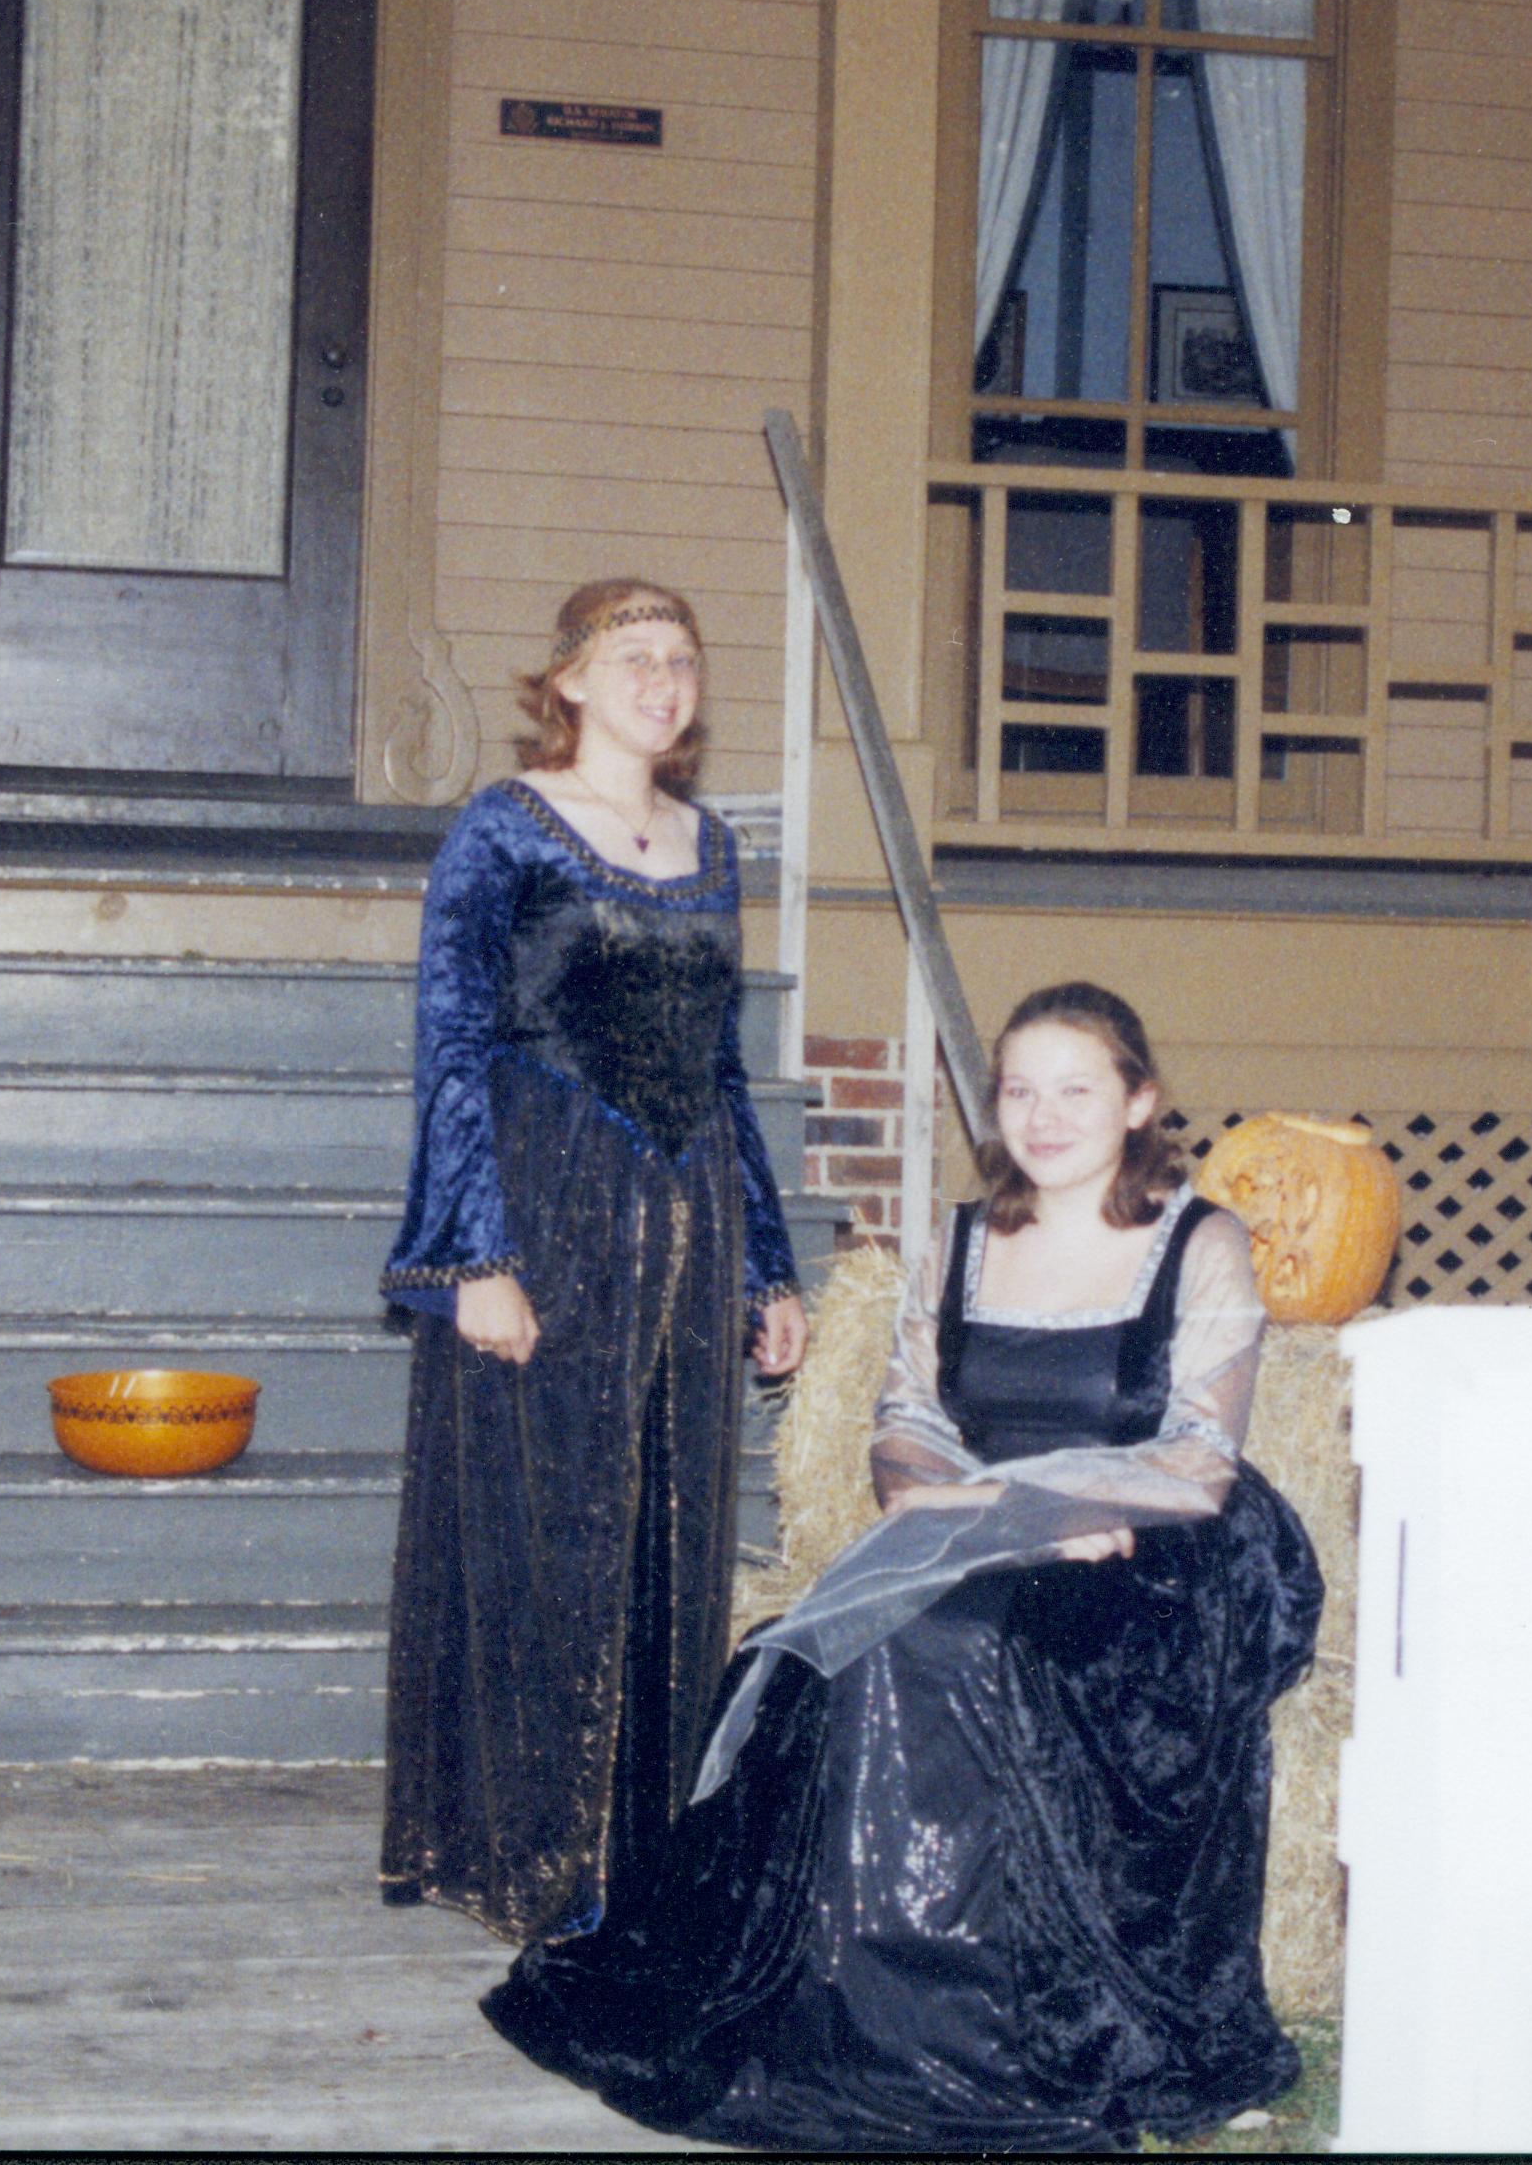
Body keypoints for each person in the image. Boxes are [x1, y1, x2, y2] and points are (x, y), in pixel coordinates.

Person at [481, 982, 1324, 2152]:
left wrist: (1040, 1508)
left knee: (969, 1641)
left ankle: (996, 2031)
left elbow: (1196, 1457)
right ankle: (864, 2017)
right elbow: (909, 1420)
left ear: (1139, 1101)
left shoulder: (1200, 1241)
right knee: (842, 1645)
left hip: (1153, 1543)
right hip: (983, 1521)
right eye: (1018, 1088)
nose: (1041, 1114)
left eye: (1075, 1088)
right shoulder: (964, 1237)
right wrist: (950, 1504)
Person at [376, 577, 809, 1945]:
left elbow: (726, 1067)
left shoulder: (712, 842)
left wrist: (768, 1271)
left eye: (679, 658)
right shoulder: (501, 831)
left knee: (669, 1535)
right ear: (564, 681)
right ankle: (528, 1852)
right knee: (541, 1527)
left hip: (688, 1226)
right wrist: (472, 1257)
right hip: (545, 1212)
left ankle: (645, 1846)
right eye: (632, 657)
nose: (660, 679)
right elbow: (450, 1045)